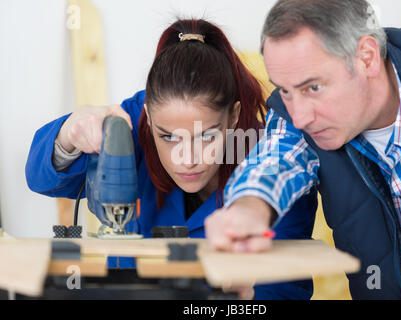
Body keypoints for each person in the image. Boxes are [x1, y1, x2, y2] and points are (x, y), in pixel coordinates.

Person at [25, 18, 317, 300]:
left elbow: (283, 287)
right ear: (149, 118)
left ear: (234, 116)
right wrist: (67, 135)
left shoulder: (275, 166)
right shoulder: (132, 123)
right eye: (169, 137)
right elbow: (41, 179)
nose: (187, 159)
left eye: (206, 136)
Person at [205, 0, 401, 300]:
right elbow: (274, 161)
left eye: (313, 88)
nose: (300, 117)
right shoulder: (296, 117)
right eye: (284, 90)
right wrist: (246, 212)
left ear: (367, 58)